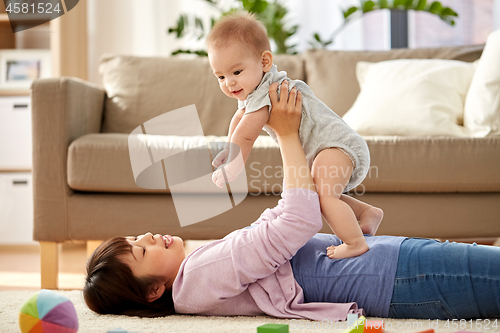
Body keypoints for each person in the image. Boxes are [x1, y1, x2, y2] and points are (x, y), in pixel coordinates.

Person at [84, 80, 500, 321]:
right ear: (154, 291)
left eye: (137, 236)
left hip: (387, 264)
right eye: (140, 249)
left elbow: (284, 229)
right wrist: (286, 134)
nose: (150, 236)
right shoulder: (199, 277)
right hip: (391, 275)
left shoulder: (200, 270)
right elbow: (297, 222)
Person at [207, 10, 382, 259]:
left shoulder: (268, 91)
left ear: (264, 61)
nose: (229, 83)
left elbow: (247, 135)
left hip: (336, 146)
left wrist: (233, 167)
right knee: (320, 194)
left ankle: (355, 242)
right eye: (221, 77)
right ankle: (366, 214)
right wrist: (228, 148)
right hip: (332, 148)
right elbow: (239, 120)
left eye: (236, 73)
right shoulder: (253, 91)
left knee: (323, 197)